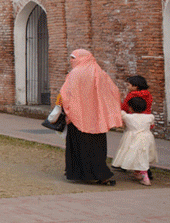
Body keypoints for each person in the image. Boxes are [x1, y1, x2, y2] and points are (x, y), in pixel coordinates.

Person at [56, 49, 122, 185]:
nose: (71, 61)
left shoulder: (75, 74)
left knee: (79, 146)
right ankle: (100, 173)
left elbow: (67, 95)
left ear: (82, 58)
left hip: (78, 117)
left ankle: (79, 173)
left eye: (73, 58)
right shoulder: (100, 73)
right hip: (97, 118)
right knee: (97, 147)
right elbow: (112, 91)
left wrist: (68, 112)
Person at [111, 97, 158, 186]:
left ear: (131, 108)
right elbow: (151, 124)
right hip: (147, 138)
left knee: (135, 156)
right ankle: (138, 173)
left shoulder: (127, 117)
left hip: (133, 138)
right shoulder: (150, 117)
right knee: (142, 156)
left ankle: (145, 178)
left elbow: (119, 112)